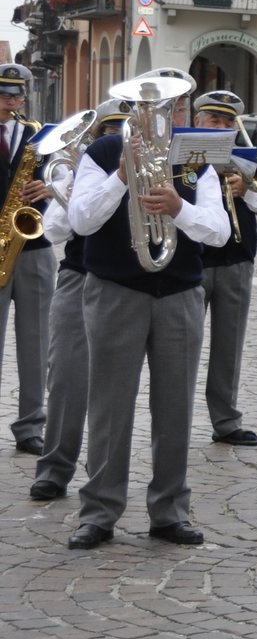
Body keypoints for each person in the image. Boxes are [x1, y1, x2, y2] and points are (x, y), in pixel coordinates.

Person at [65, 77, 230, 549]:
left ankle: (169, 511)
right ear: (129, 109)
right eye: (144, 107)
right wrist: (122, 176)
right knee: (110, 406)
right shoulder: (101, 153)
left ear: (180, 109)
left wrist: (178, 208)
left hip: (179, 294)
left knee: (175, 407)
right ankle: (99, 512)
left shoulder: (195, 155)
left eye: (168, 108)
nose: (156, 117)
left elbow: (217, 231)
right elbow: (80, 221)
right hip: (115, 290)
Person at [30, 99, 129, 501]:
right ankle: (55, 468)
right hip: (79, 276)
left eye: (124, 130)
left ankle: (102, 469)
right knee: (68, 377)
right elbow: (54, 231)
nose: (117, 138)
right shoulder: (81, 170)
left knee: (115, 386)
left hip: (127, 284)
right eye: (109, 131)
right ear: (96, 136)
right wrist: (68, 191)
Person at [193, 90, 257, 448]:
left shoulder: (246, 160)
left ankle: (226, 421)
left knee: (229, 348)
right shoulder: (184, 157)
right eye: (214, 120)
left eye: (228, 122)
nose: (222, 126)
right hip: (193, 264)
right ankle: (176, 416)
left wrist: (247, 190)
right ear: (198, 122)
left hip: (236, 262)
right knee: (182, 347)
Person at [0, 63, 55, 455]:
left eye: (17, 95)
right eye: (4, 95)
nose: (10, 102)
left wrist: (47, 188)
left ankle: (30, 426)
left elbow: (66, 181)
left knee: (36, 343)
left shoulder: (40, 136)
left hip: (34, 249)